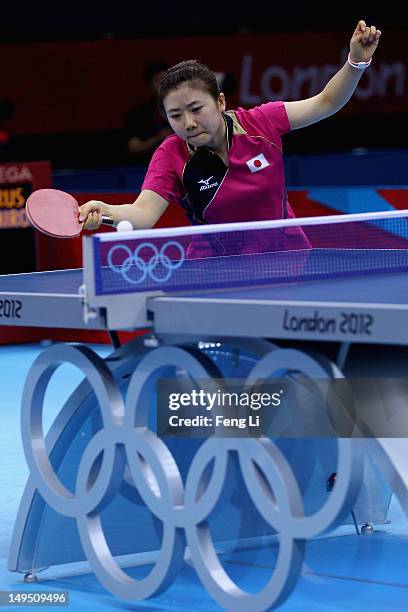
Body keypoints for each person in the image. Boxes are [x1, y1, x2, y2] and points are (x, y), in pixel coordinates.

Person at [80, 20, 382, 257]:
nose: (188, 123)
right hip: (215, 270)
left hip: (288, 259)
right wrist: (104, 210)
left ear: (221, 102)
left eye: (196, 109)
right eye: (175, 116)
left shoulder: (262, 123)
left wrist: (356, 64)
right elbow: (143, 214)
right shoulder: (171, 153)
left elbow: (326, 102)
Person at [125, 61, 172, 164]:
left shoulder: (187, 110)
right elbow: (134, 148)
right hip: (150, 166)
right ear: (149, 85)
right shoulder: (138, 115)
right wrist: (160, 137)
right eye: (159, 81)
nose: (164, 85)